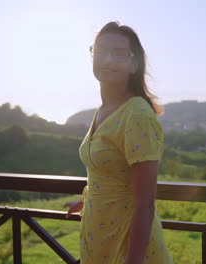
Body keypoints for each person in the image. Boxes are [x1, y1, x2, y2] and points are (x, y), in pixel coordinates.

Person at [64, 21, 174, 264]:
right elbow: (111, 174)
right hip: (99, 236)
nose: (108, 59)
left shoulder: (137, 115)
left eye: (119, 53)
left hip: (127, 246)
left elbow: (145, 202)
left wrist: (133, 260)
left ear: (134, 64)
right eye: (101, 50)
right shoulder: (104, 109)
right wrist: (87, 201)